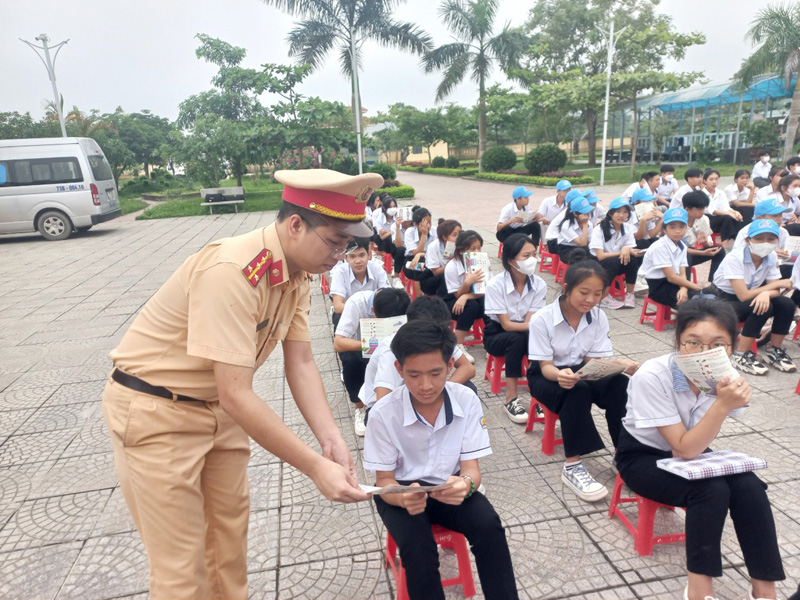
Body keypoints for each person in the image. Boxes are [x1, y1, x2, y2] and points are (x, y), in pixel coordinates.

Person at [102, 168, 376, 599]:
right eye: (335, 242)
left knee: (228, 552)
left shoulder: (299, 270)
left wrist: (331, 439)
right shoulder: (232, 270)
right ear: (295, 224)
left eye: (348, 245)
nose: (341, 255)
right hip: (158, 412)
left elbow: (301, 361)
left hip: (217, 410)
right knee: (182, 571)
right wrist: (313, 466)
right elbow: (236, 392)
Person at [617, 298, 785, 600]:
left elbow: (696, 443)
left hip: (691, 449)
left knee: (749, 486)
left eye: (717, 345)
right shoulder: (653, 376)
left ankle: (765, 588)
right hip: (643, 457)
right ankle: (699, 587)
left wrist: (729, 398)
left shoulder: (725, 376)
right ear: (679, 343)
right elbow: (683, 447)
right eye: (693, 343)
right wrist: (722, 404)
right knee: (711, 490)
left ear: (731, 348)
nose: (704, 354)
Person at [364, 320, 519, 600]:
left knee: (490, 527)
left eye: (436, 373)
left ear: (450, 365)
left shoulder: (466, 400)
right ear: (399, 370)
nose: (425, 385)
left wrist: (467, 485)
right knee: (418, 548)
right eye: (413, 375)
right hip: (401, 493)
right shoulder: (383, 413)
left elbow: (472, 471)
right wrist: (403, 497)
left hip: (448, 486)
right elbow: (383, 481)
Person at [527, 252, 638, 502]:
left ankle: (623, 455)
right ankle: (573, 465)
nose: (591, 300)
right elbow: (544, 366)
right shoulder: (542, 319)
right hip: (547, 375)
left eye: (598, 294)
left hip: (581, 370)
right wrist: (559, 375)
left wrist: (620, 365)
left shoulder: (598, 316)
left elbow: (592, 361)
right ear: (567, 289)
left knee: (621, 385)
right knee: (576, 390)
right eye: (584, 292)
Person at [363, 296, 477, 412]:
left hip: (420, 398)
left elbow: (468, 368)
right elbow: (382, 404)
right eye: (414, 375)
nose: (431, 338)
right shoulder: (392, 349)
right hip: (386, 408)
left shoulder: (440, 336)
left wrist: (439, 390)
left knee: (467, 388)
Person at [712, 219, 796, 376]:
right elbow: (743, 295)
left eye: (771, 239)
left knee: (786, 304)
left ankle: (774, 350)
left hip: (753, 295)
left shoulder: (770, 256)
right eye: (759, 238)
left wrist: (765, 292)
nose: (765, 243)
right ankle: (740, 354)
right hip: (723, 300)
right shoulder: (735, 258)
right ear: (748, 240)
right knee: (763, 306)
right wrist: (767, 290)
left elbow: (776, 290)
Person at [484, 234, 548, 423]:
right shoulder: (496, 285)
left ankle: (538, 398)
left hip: (523, 332)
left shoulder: (539, 285)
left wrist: (539, 331)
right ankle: (510, 399)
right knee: (518, 338)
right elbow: (506, 324)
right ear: (511, 260)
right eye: (525, 256)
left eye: (534, 255)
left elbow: (530, 321)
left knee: (535, 339)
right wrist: (537, 329)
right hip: (496, 334)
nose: (532, 260)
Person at [334, 288, 411, 435]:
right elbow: (338, 343)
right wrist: (372, 345)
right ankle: (360, 407)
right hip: (362, 347)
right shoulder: (356, 303)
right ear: (373, 311)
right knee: (351, 360)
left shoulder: (397, 299)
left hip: (391, 348)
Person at [640, 207, 704, 308]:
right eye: (672, 227)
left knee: (706, 297)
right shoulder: (660, 247)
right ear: (664, 229)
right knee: (693, 304)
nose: (678, 231)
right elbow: (671, 277)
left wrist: (684, 288)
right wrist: (694, 286)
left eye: (681, 227)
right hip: (659, 287)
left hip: (675, 282)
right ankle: (688, 323)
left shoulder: (681, 245)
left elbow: (682, 272)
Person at [590, 197, 643, 309]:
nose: (621, 215)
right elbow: (600, 256)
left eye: (625, 212)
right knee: (614, 261)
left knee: (633, 259)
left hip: (617, 262)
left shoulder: (628, 228)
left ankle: (629, 294)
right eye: (618, 212)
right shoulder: (599, 229)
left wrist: (628, 249)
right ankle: (603, 297)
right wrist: (624, 250)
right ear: (610, 213)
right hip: (599, 263)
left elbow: (630, 248)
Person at [444, 230, 489, 363]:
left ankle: (490, 340)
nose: (478, 251)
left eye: (479, 247)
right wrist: (467, 283)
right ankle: (457, 345)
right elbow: (457, 294)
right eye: (473, 248)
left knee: (488, 302)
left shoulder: (482, 262)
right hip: (453, 300)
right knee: (471, 306)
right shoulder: (452, 267)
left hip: (475, 296)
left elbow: (485, 289)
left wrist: (466, 296)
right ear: (462, 250)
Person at [330, 237, 389, 327]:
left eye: (362, 255)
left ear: (369, 255)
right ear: (346, 258)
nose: (358, 261)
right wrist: (364, 312)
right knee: (338, 317)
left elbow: (387, 298)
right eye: (352, 256)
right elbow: (338, 307)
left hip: (374, 314)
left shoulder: (377, 269)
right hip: (349, 312)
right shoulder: (340, 272)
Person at [732, 198, 793, 278]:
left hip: (774, 267)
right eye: (774, 215)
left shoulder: (783, 232)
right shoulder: (746, 232)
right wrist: (769, 252)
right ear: (759, 218)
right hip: (750, 271)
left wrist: (786, 254)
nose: (779, 219)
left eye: (780, 215)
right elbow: (738, 256)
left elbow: (788, 254)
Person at [681, 191, 725, 282]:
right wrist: (702, 253)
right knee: (686, 256)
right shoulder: (678, 222)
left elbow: (708, 245)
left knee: (719, 250)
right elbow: (679, 249)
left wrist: (705, 243)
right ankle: (687, 288)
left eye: (703, 208)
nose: (702, 211)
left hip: (695, 252)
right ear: (687, 209)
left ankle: (714, 283)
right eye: (698, 209)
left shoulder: (704, 219)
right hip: (678, 255)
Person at [702, 169, 744, 251]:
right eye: (711, 179)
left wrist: (735, 212)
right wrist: (729, 214)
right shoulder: (701, 194)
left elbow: (726, 207)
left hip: (721, 220)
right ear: (705, 181)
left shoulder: (720, 193)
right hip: (706, 220)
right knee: (727, 218)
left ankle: (738, 245)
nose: (714, 182)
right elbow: (712, 210)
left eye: (716, 179)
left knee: (735, 218)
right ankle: (726, 246)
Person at [421, 219, 461, 297]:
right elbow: (435, 272)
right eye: (454, 235)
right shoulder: (433, 246)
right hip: (431, 277)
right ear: (445, 237)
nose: (458, 237)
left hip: (452, 276)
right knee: (446, 278)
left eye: (459, 234)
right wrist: (452, 261)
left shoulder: (460, 245)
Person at [373, 195, 407, 284]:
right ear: (384, 208)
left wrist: (387, 231)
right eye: (390, 207)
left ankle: (396, 266)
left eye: (394, 206)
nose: (393, 209)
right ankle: (396, 274)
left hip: (399, 247)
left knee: (400, 250)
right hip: (386, 244)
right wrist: (391, 232)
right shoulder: (380, 217)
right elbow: (381, 236)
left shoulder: (399, 217)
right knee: (392, 242)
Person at [402, 207, 436, 291]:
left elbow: (435, 252)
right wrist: (424, 235)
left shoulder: (434, 230)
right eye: (424, 223)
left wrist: (420, 254)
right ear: (416, 224)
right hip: (411, 263)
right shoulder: (409, 232)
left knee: (422, 262)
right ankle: (419, 297)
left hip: (429, 260)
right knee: (419, 265)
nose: (428, 226)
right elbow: (415, 253)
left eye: (429, 222)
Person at [556, 195, 595, 264]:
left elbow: (589, 242)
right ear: (575, 213)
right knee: (582, 253)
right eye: (585, 212)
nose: (588, 214)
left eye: (588, 211)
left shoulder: (589, 223)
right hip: (567, 249)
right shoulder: (566, 225)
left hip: (582, 248)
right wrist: (585, 225)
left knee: (594, 254)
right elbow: (582, 244)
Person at [545, 189, 585, 253]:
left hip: (564, 240)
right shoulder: (568, 214)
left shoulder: (576, 211)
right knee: (581, 251)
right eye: (581, 198)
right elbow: (581, 242)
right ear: (572, 202)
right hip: (554, 242)